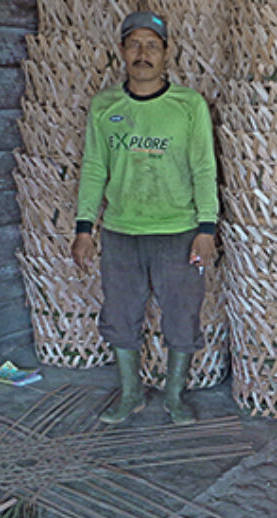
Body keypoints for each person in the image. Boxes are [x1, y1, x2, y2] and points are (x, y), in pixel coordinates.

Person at [71, 11, 218, 425]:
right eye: (134, 44)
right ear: (121, 51)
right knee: (120, 314)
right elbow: (95, 168)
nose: (143, 54)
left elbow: (204, 168)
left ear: (167, 53)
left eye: (152, 45)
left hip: (178, 231)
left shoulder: (188, 106)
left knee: (182, 314)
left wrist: (206, 229)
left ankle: (174, 396)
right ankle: (130, 393)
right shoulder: (105, 106)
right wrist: (85, 227)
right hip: (121, 232)